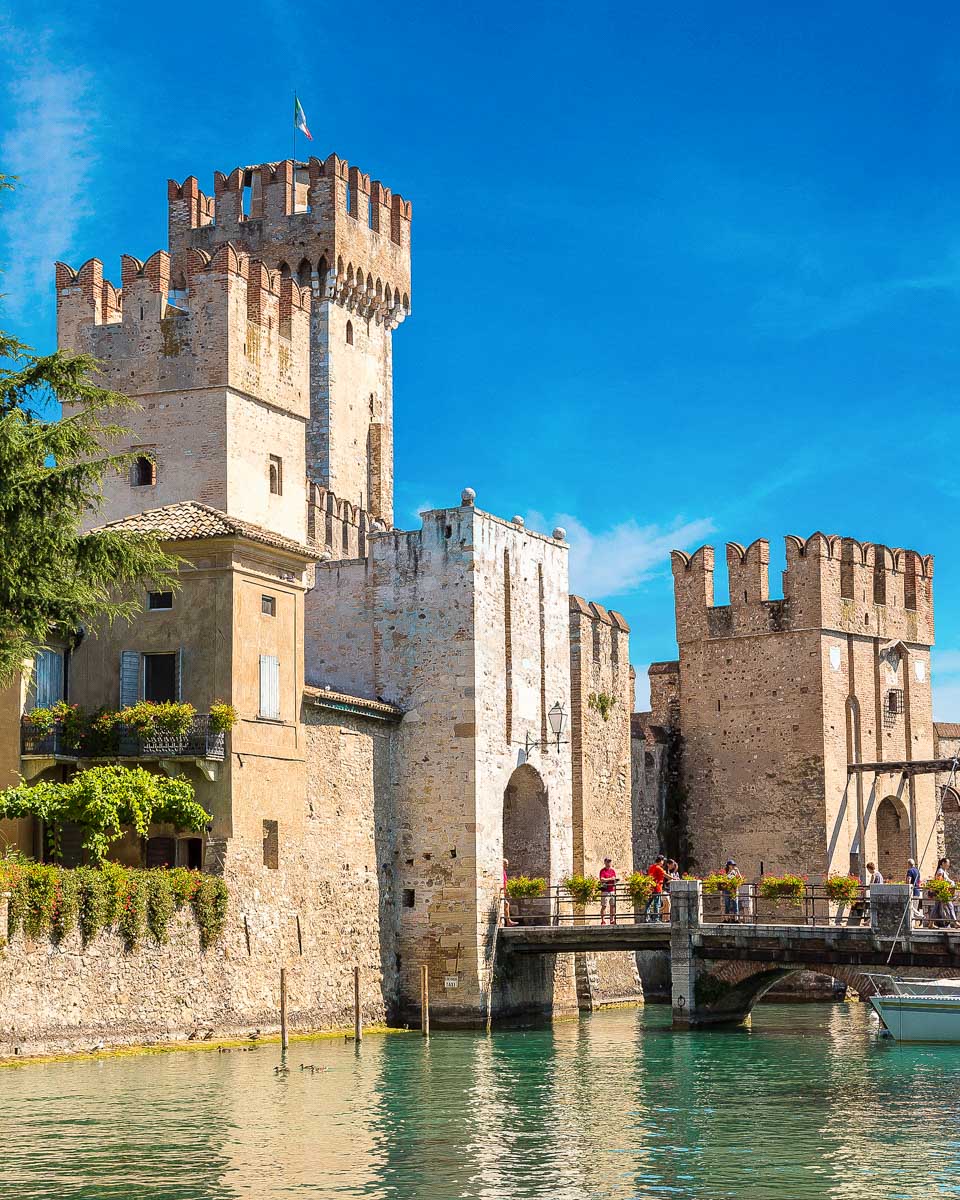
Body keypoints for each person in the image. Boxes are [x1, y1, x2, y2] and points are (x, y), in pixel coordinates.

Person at [931, 857, 958, 929]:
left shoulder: (943, 871)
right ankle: (955, 922)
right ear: (943, 863)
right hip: (942, 892)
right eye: (947, 863)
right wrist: (947, 885)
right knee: (950, 906)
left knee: (936, 908)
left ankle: (931, 923)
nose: (948, 864)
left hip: (943, 892)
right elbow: (939, 882)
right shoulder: (940, 871)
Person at [645, 854, 667, 921]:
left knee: (648, 903)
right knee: (657, 903)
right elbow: (666, 875)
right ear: (661, 861)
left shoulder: (651, 867)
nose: (663, 862)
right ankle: (656, 919)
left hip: (650, 888)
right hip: (657, 888)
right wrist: (674, 878)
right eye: (663, 861)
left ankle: (647, 918)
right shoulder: (659, 868)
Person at [599, 857, 618, 925]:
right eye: (607, 862)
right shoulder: (603, 871)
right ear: (605, 862)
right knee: (604, 906)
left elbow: (614, 879)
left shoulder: (613, 871)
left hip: (612, 890)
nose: (609, 863)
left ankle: (612, 920)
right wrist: (610, 879)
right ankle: (603, 920)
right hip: (605, 890)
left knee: (612, 905)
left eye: (610, 862)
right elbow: (602, 879)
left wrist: (615, 880)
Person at [502, 858, 518, 927]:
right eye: (506, 864)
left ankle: (508, 921)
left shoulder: (503, 872)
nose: (507, 865)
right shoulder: (501, 872)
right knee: (506, 904)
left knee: (506, 904)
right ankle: (508, 922)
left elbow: (505, 882)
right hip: (502, 892)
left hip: (503, 892)